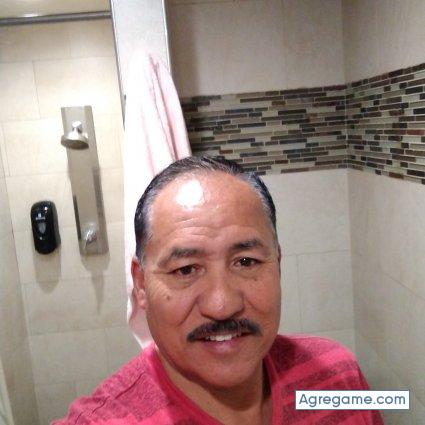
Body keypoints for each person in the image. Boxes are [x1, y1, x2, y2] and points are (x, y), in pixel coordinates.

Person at [54, 156, 383, 424]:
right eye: (186, 270)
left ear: (278, 264)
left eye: (246, 262)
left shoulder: (338, 377)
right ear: (140, 285)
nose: (222, 305)